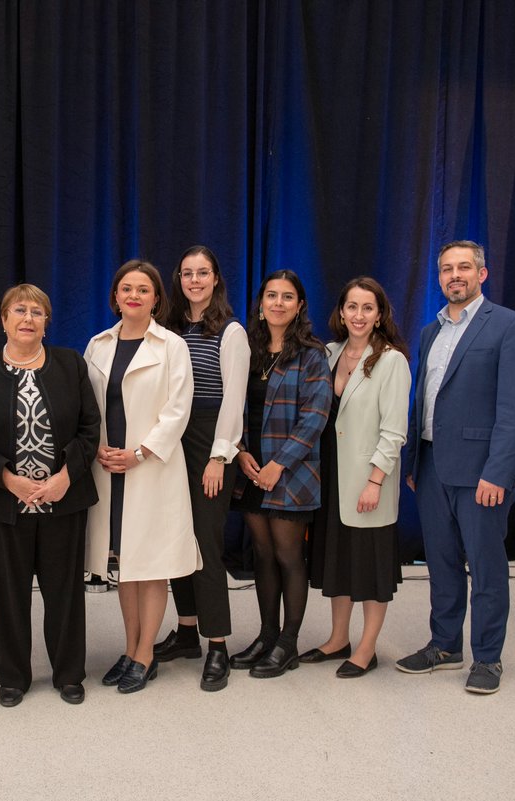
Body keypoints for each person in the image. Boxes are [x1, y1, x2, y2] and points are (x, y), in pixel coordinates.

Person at [397, 240, 515, 694]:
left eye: (463, 267)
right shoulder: (429, 332)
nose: (454, 275)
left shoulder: (511, 327)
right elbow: (425, 401)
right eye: (445, 269)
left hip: (483, 471)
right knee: (440, 563)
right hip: (434, 464)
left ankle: (488, 658)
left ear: (483, 273)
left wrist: (498, 472)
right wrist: (416, 461)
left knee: (486, 566)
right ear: (438, 277)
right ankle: (444, 646)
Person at [0, 284, 100, 707]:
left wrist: (65, 477)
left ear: (46, 322)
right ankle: (13, 677)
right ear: (3, 319)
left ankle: (69, 674)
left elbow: (90, 430)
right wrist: (6, 478)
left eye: (37, 312)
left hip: (63, 499)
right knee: (8, 593)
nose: (27, 319)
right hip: (6, 502)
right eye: (19, 310)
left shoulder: (70, 364)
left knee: (65, 592)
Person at [85, 259, 199, 694]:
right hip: (107, 467)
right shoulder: (97, 345)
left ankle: (146, 654)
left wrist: (138, 453)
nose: (133, 295)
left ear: (156, 298)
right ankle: (130, 647)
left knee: (150, 566)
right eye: (126, 288)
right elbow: (87, 405)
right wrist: (94, 447)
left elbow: (178, 410)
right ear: (115, 296)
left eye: (143, 289)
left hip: (149, 469)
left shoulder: (171, 346)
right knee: (124, 564)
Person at [152, 245, 249, 691]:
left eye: (203, 272)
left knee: (206, 544)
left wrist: (218, 456)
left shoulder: (230, 332)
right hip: (174, 436)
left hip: (212, 439)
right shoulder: (168, 328)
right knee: (177, 537)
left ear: (215, 279)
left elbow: (234, 400)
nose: (194, 280)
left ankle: (218, 646)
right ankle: (188, 631)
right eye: (187, 272)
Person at [303, 276, 411, 678]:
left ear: (379, 314)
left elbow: (395, 430)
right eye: (352, 307)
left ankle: (366, 647)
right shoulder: (328, 353)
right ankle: (337, 639)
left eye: (368, 308)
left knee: (370, 566)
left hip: (368, 479)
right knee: (339, 561)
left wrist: (375, 481)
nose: (359, 315)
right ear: (341, 312)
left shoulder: (391, 360)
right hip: (330, 476)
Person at [230, 270, 331, 679]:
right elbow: (232, 407)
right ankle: (266, 635)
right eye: (271, 295)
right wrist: (239, 454)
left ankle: (288, 643)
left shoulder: (311, 354)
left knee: (289, 556)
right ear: (260, 303)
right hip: (251, 469)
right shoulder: (248, 352)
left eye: (287, 297)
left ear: (300, 305)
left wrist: (278, 464)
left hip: (290, 473)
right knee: (263, 555)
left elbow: (315, 417)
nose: (278, 303)